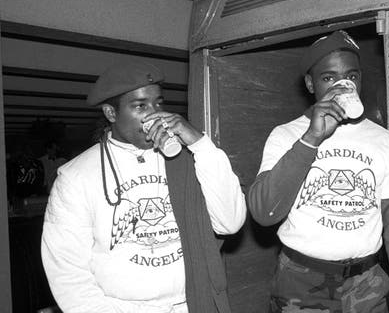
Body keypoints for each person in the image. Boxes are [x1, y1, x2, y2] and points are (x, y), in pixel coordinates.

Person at [41, 62, 246, 313]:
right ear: (111, 113)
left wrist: (200, 144)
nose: (154, 115)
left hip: (193, 304)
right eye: (140, 106)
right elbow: (67, 271)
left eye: (158, 103)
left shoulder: (188, 158)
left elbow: (230, 222)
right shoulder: (76, 176)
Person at [248, 30, 389, 312]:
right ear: (310, 84)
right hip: (300, 282)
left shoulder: (383, 140)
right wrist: (310, 139)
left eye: (351, 76)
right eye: (329, 78)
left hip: (367, 284)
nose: (342, 86)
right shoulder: (286, 135)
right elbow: (264, 212)